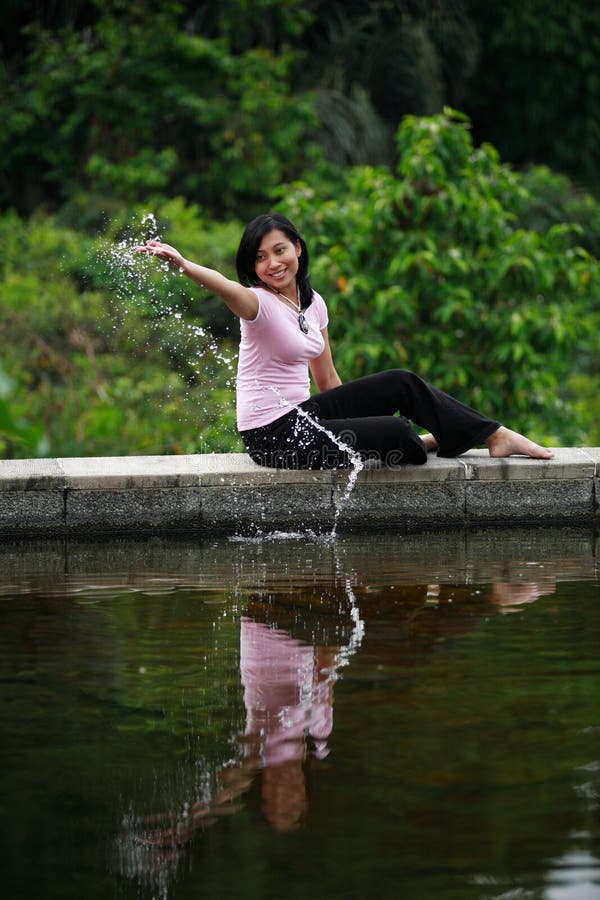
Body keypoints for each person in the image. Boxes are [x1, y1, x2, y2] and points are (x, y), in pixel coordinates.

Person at [135, 213, 554, 469]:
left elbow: (329, 380)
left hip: (306, 416)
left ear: (297, 248)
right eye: (259, 258)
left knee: (400, 382)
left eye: (279, 250)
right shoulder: (257, 305)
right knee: (391, 431)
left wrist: (351, 413)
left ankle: (495, 435)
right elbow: (226, 286)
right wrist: (185, 265)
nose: (271, 264)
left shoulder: (314, 304)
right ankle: (430, 440)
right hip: (272, 436)